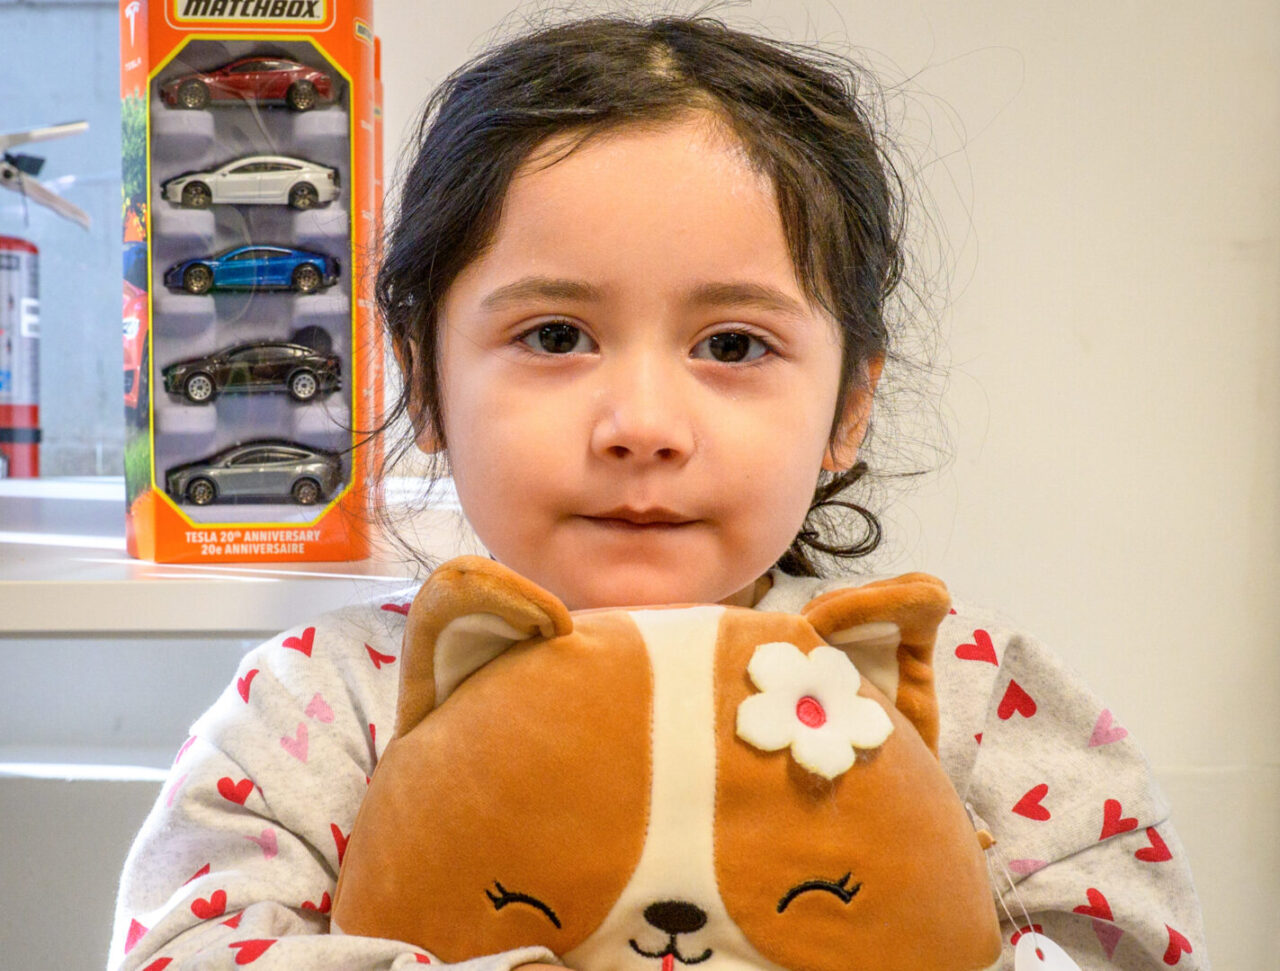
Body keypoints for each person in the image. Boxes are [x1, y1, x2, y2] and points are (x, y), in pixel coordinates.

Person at [109, 15, 1208, 971]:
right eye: (553, 335)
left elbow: (1126, 935)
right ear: (424, 378)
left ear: (848, 405)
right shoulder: (326, 705)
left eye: (732, 343)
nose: (640, 423)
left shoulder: (960, 694)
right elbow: (185, 945)